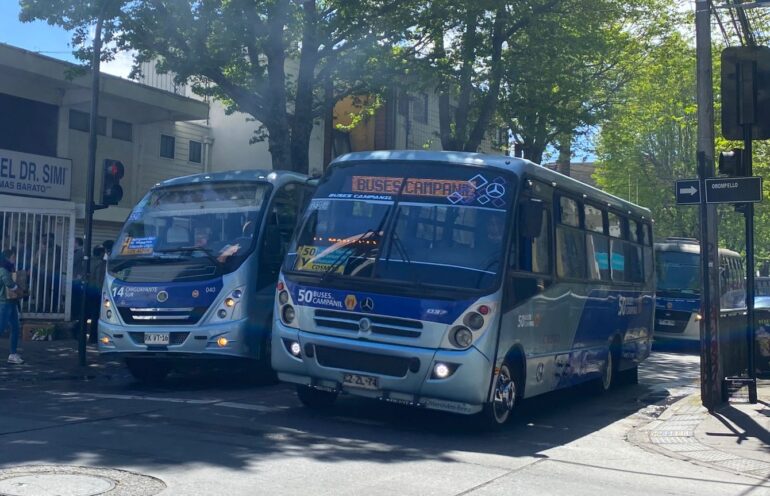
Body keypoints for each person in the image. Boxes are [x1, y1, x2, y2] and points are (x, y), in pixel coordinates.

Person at [0, 251, 22, 364]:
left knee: (15, 327)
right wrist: (20, 290)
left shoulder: (9, 269)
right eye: (13, 257)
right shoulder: (3, 270)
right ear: (7, 258)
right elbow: (9, 283)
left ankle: (13, 354)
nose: (15, 259)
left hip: (11, 302)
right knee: (1, 327)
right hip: (4, 303)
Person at [87, 246, 106, 344]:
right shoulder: (100, 263)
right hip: (96, 291)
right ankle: (93, 337)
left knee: (87, 314)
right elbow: (99, 279)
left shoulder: (88, 261)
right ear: (101, 253)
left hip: (88, 290)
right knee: (96, 315)